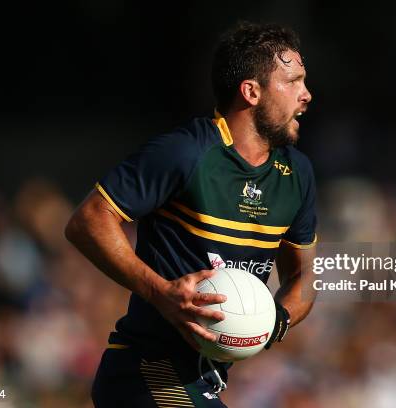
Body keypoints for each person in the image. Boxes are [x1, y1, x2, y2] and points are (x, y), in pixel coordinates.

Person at [65, 20, 317, 407]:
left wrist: (274, 321)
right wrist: (161, 293)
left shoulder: (296, 174)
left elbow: (301, 280)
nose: (307, 95)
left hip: (203, 381)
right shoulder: (186, 152)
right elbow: (88, 221)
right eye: (294, 81)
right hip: (146, 372)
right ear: (251, 91)